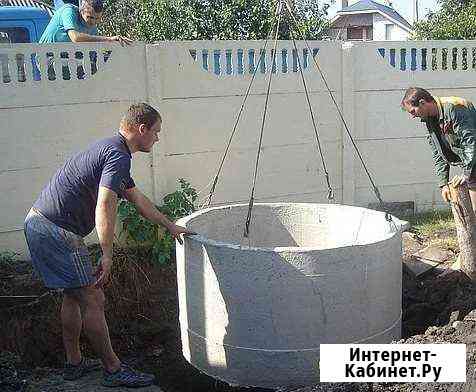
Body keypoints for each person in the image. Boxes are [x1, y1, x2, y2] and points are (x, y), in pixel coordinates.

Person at [24, 103, 194, 388]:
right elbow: (105, 203)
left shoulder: (110, 150)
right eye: (156, 132)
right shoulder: (117, 155)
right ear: (142, 129)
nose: (157, 138)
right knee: (93, 300)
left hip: (38, 224)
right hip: (57, 232)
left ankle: (74, 362)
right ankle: (114, 370)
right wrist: (107, 253)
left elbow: (138, 200)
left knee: (73, 295)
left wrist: (170, 225)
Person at [401, 87, 476, 213]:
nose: (413, 116)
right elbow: (439, 153)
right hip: (471, 161)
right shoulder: (429, 119)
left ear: (422, 102)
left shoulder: (456, 108)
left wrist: (466, 174)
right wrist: (443, 184)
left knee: (474, 209)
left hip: (473, 159)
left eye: (413, 111)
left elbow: (471, 142)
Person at [39, 0, 132, 45]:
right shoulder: (68, 11)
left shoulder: (93, 28)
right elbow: (75, 38)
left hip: (66, 57)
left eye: (97, 18)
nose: (93, 22)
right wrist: (109, 39)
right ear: (81, 11)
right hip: (46, 56)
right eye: (90, 17)